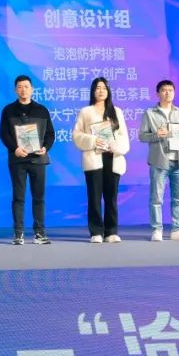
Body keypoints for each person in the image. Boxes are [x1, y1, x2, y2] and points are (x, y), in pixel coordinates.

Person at [72, 77, 131, 243]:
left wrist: (115, 146)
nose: (101, 91)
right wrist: (93, 140)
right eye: (98, 88)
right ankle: (96, 231)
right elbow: (76, 135)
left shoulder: (117, 111)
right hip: (94, 159)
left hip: (113, 158)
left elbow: (124, 136)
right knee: (94, 197)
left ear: (108, 91)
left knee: (111, 198)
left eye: (104, 88)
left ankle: (111, 231)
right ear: (93, 91)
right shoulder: (86, 112)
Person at [0, 75, 55, 245]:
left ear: (32, 89)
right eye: (20, 87)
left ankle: (39, 233)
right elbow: (4, 134)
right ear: (15, 90)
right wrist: (14, 149)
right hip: (18, 160)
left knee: (39, 197)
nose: (23, 89)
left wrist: (45, 147)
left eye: (26, 86)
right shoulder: (8, 110)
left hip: (38, 159)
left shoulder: (42, 110)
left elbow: (50, 134)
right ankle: (18, 234)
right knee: (18, 197)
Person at [139, 80, 179, 242]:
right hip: (159, 161)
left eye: (170, 90)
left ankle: (177, 229)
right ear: (158, 93)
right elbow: (142, 136)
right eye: (164, 90)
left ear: (174, 93)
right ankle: (157, 230)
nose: (167, 93)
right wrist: (156, 135)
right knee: (156, 198)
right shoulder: (150, 113)